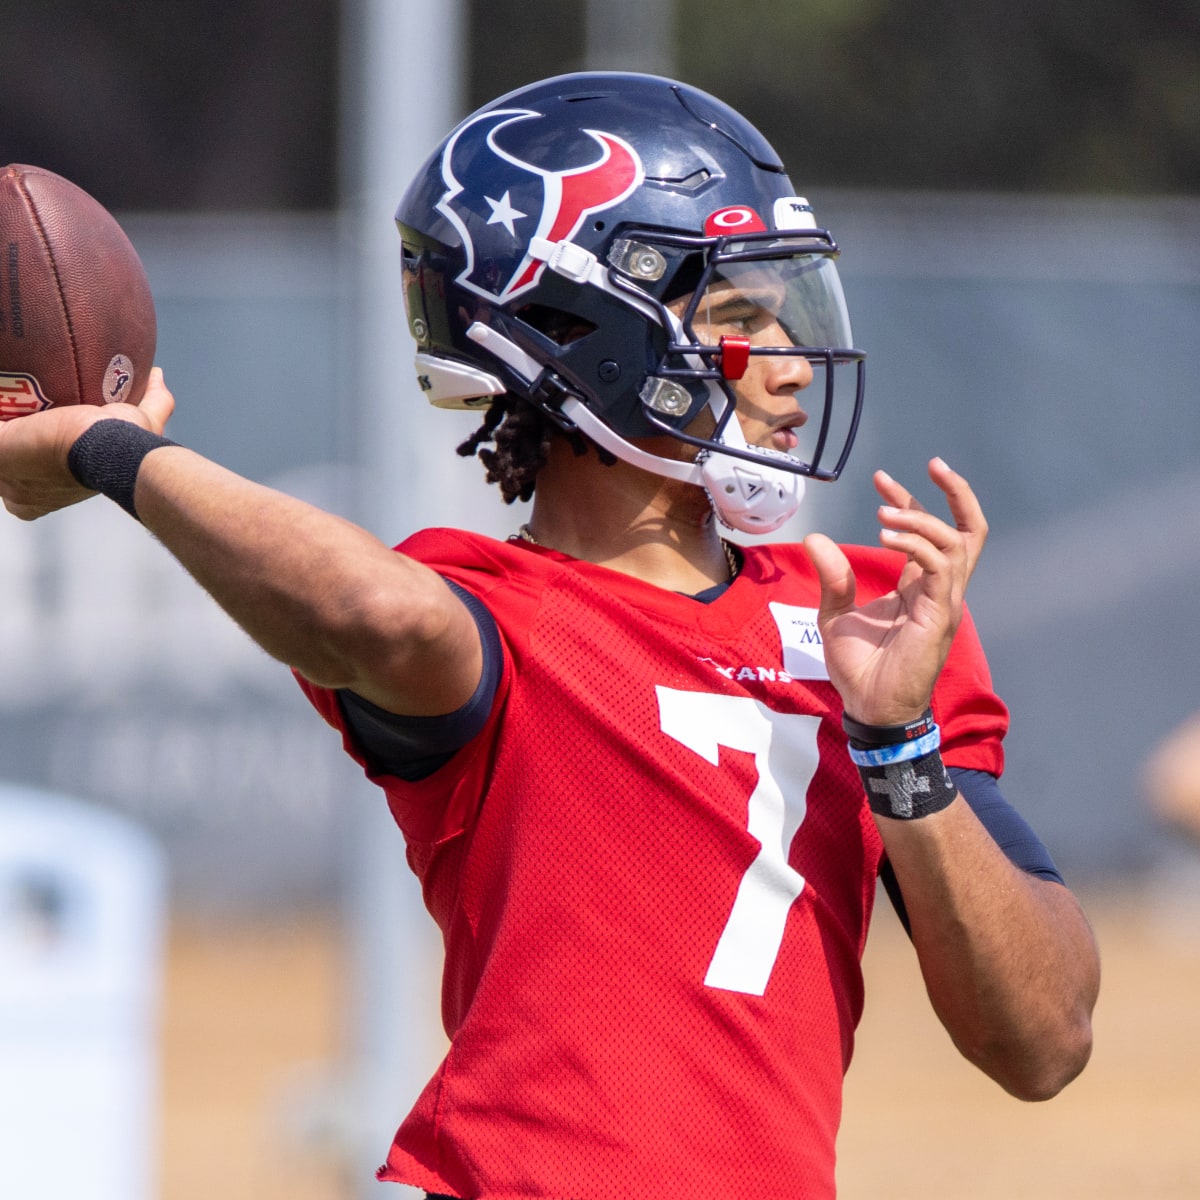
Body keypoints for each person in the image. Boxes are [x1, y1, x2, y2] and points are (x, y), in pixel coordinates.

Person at [0, 72, 1099, 1200]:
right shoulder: (488, 612)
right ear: (582, 331)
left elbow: (1044, 1039)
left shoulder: (869, 619)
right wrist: (109, 449)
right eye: (733, 313)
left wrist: (897, 744)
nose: (786, 360)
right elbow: (375, 610)